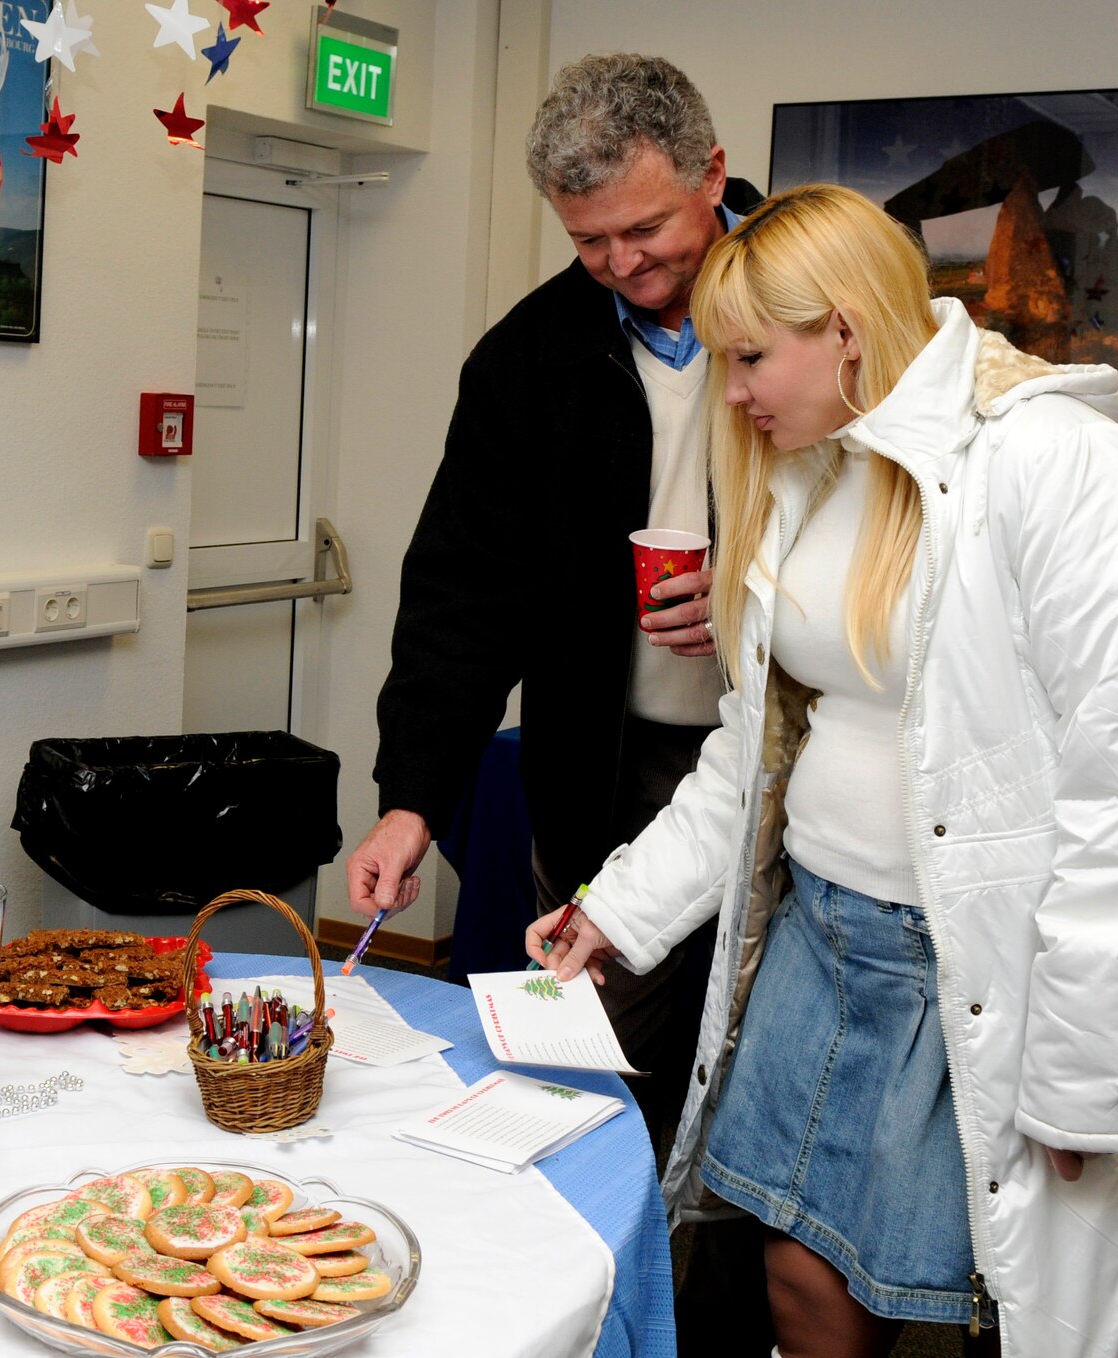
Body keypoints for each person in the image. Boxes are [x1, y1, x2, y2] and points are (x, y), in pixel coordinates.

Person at [531, 183, 1118, 1358]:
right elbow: (754, 750)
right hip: (825, 943)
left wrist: (1083, 1066)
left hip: (988, 963)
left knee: (1008, 1306)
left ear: (845, 328)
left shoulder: (1055, 461)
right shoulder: (808, 470)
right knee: (801, 1279)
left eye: (752, 355)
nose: (735, 391)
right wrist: (617, 908)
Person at [353, 52, 754, 1152]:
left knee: (757, 1096)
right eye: (586, 240)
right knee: (593, 1082)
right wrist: (413, 794)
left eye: (644, 228)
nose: (621, 263)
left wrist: (753, 594)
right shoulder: (526, 358)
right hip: (598, 769)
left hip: (782, 765)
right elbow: (459, 595)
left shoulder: (813, 310)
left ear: (711, 173)